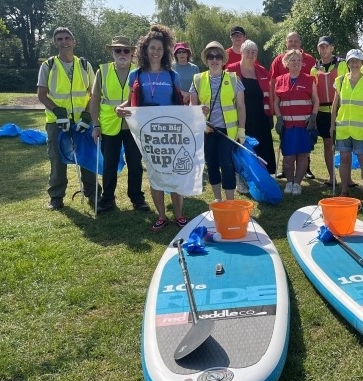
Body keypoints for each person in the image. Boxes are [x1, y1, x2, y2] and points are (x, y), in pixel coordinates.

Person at [115, 24, 188, 232]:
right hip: (148, 133)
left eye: (159, 48)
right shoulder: (135, 75)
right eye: (152, 48)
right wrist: (120, 108)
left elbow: (181, 103)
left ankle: (180, 215)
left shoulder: (171, 75)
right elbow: (129, 101)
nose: (155, 52)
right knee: (155, 173)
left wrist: (197, 110)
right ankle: (162, 216)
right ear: (145, 50)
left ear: (164, 52)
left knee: (173, 172)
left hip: (170, 131)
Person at [37, 27, 97, 210]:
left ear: (74, 41)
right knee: (57, 158)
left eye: (67, 38)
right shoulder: (48, 65)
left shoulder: (85, 65)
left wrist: (87, 115)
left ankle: (93, 193)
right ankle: (56, 197)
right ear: (55, 43)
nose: (64, 42)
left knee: (87, 157)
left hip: (82, 121)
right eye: (60, 39)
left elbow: (93, 94)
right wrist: (58, 111)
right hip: (57, 122)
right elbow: (41, 94)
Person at [90, 36, 149, 213]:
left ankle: (137, 198)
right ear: (112, 52)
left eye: (126, 50)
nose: (122, 54)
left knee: (135, 163)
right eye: (118, 50)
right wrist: (95, 125)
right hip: (109, 125)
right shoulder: (103, 71)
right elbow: (94, 99)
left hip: (134, 126)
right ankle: (107, 199)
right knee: (109, 164)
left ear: (132, 53)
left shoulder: (140, 72)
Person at [190, 41, 246, 202]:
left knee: (226, 163)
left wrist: (241, 130)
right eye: (211, 56)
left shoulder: (234, 78)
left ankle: (230, 200)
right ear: (206, 60)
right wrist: (201, 121)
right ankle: (217, 199)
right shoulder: (198, 79)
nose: (214, 60)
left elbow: (241, 106)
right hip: (207, 131)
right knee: (211, 164)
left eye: (218, 56)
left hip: (228, 131)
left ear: (223, 60)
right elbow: (193, 107)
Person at [330, 49, 363, 202]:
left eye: (357, 60)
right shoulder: (340, 80)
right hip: (343, 128)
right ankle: (344, 190)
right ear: (348, 63)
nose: (354, 63)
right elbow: (335, 105)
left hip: (362, 130)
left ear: (362, 63)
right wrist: (332, 124)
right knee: (344, 159)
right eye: (351, 61)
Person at [270, 32, 317, 179]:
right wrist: (278, 116)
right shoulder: (279, 72)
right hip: (287, 123)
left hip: (304, 122)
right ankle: (288, 177)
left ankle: (300, 178)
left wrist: (313, 116)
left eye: (296, 41)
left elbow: (315, 98)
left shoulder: (309, 72)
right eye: (290, 41)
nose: (293, 43)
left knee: (303, 153)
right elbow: (275, 96)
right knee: (288, 154)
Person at [228, 39, 275, 174]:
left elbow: (269, 94)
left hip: (261, 116)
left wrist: (271, 114)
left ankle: (264, 173)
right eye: (247, 51)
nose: (250, 54)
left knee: (263, 146)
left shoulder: (262, 71)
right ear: (241, 53)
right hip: (240, 116)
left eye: (253, 52)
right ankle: (241, 176)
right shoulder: (231, 70)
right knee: (241, 147)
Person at [310, 36, 352, 187]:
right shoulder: (314, 69)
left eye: (326, 46)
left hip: (340, 111)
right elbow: (313, 93)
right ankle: (331, 178)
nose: (324, 49)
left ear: (332, 48)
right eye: (321, 47)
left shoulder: (341, 64)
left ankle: (348, 179)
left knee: (344, 145)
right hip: (322, 112)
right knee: (328, 145)